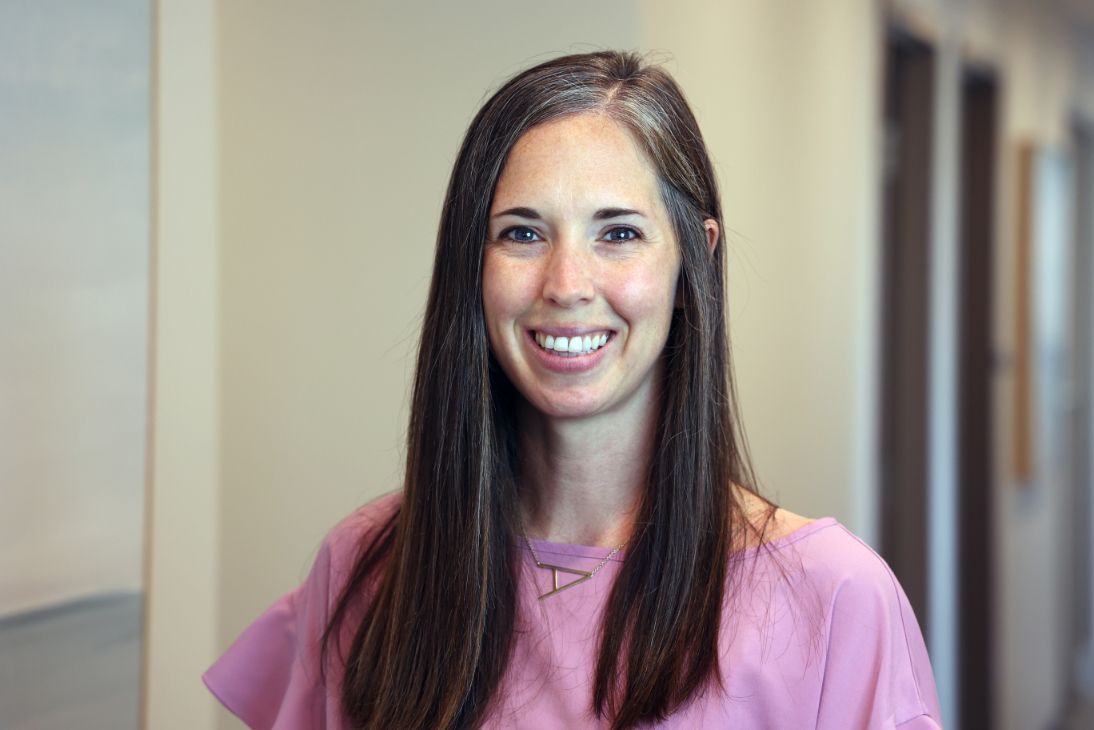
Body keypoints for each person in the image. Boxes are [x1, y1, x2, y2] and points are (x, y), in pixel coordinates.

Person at [203, 51, 941, 729]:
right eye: (522, 234)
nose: (566, 285)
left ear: (694, 260)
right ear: (472, 263)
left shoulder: (834, 600)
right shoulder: (366, 570)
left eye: (617, 234)